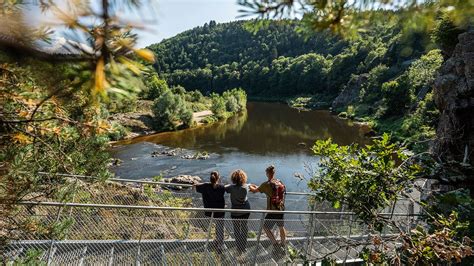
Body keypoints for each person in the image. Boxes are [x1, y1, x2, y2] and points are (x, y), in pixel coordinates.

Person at [249, 165, 287, 247]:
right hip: (281, 208)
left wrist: (249, 185)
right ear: (274, 173)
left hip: (272, 210)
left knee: (265, 227)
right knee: (281, 226)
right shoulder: (279, 182)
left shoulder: (266, 184)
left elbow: (254, 190)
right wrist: (258, 187)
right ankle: (283, 243)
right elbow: (260, 188)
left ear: (267, 173)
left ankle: (274, 243)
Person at [194, 171, 225, 252]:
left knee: (212, 225)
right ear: (218, 178)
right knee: (220, 227)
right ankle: (220, 245)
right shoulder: (222, 187)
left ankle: (215, 240)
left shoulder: (205, 186)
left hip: (209, 211)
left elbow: (195, 186)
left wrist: (203, 183)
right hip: (219, 211)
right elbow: (223, 187)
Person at [225, 169, 251, 257]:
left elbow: (224, 187)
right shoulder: (245, 187)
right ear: (243, 178)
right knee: (244, 228)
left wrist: (231, 185)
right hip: (245, 211)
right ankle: (243, 248)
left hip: (235, 212)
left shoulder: (230, 188)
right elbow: (249, 186)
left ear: (233, 178)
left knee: (236, 229)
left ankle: (238, 247)